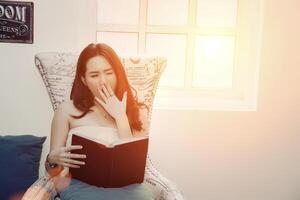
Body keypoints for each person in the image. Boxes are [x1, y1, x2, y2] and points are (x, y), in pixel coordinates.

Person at [45, 43, 153, 200]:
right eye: (94, 75)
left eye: (109, 73)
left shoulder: (138, 111)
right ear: (83, 79)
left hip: (129, 190)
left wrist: (120, 117)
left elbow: (133, 167)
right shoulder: (66, 111)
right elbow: (53, 172)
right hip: (81, 189)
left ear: (118, 74)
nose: (103, 81)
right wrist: (51, 160)